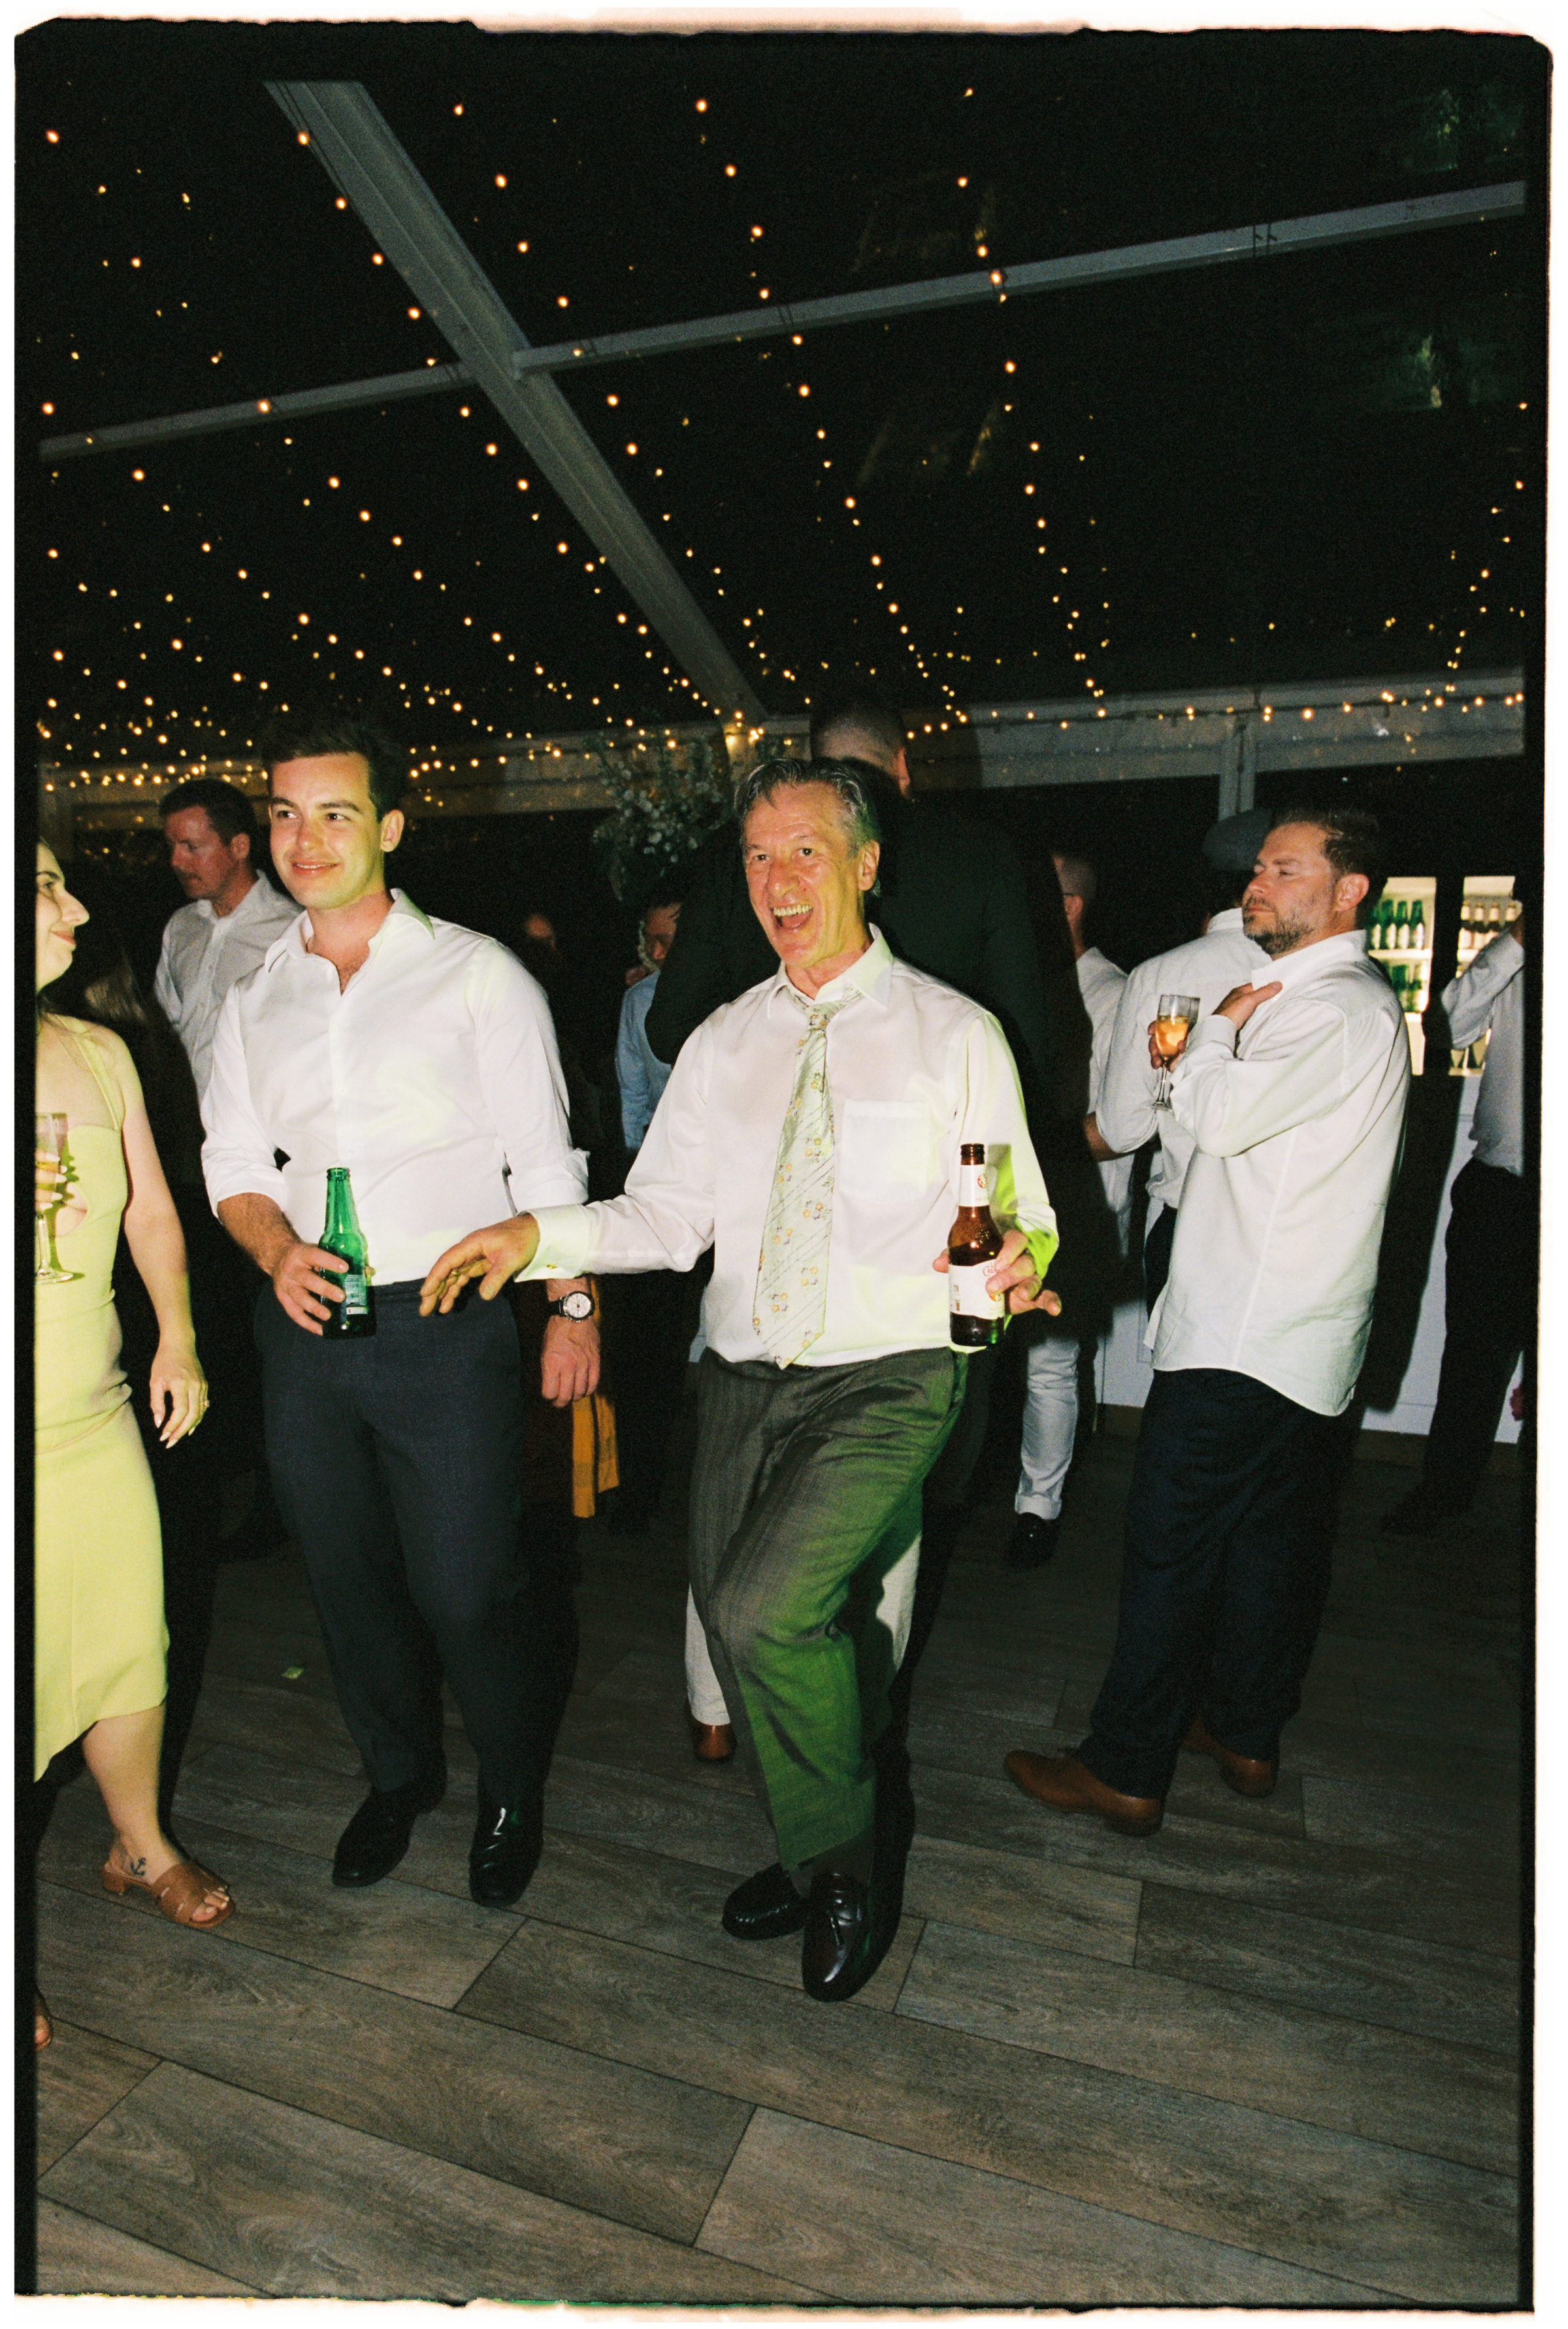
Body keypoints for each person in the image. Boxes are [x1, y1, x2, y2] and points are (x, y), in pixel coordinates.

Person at [419, 761, 1060, 2002]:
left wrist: (1025, 1258)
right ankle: (807, 1843)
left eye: (805, 852)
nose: (777, 880)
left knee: (772, 1607)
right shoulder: (722, 1037)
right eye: (759, 859)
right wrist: (535, 1238)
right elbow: (665, 1215)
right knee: (733, 1621)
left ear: (868, 864)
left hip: (891, 1370)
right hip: (741, 1371)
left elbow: (1020, 1210)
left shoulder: (954, 1031)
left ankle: (852, 1863)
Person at [200, 712, 597, 1909]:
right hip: (306, 1325)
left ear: (390, 827)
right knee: (344, 1573)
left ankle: (510, 1784)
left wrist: (574, 1305)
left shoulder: (479, 976)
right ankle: (399, 1773)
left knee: (470, 1585)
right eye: (284, 813)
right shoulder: (255, 991)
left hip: (445, 1312)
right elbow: (231, 1162)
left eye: (333, 813)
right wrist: (273, 1250)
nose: (304, 838)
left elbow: (547, 1160)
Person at [1005, 806, 1407, 1834]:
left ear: (1349, 889)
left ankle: (1126, 1766)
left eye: (1284, 869)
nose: (1257, 886)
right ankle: (1242, 1732)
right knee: (1271, 1545)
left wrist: (1214, 1025)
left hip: (1246, 1325)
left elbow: (1218, 1117)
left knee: (1170, 1546)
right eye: (1259, 867)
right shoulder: (1331, 998)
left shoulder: (1331, 1008)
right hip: (1287, 1329)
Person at [34, 844, 231, 2049]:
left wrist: (179, 1338)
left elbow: (152, 1208)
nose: (77, 905)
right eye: (40, 884)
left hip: (92, 1419)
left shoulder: (99, 1051)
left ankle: (135, 1839)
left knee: (127, 1643)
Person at [1382, 892, 1529, 1532]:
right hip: (1503, 1188)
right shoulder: (1520, 960)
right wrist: (1516, 942)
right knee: (1473, 1352)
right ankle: (1444, 1493)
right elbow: (1447, 1024)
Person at [1088, 808, 1274, 1307]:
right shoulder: (1318, 973)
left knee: (1181, 1380)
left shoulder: (1161, 975)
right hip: (1288, 1230)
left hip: (1191, 1223)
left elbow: (1123, 1129)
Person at [1007, 853, 1134, 1570]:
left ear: (1070, 907)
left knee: (1054, 1362)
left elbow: (1116, 1122)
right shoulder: (1024, 987)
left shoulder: (1115, 993)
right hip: (1012, 1200)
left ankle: (1038, 1509)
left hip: (1079, 1201)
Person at [154, 777, 298, 1097]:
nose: (176, 862)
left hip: (257, 1129)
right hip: (186, 1121)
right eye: (172, 847)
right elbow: (167, 1027)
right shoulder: (182, 926)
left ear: (239, 847)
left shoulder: (290, 930)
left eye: (191, 847)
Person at [615, 893, 682, 1150]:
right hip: (662, 1147)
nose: (655, 953)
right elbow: (632, 1091)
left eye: (665, 941)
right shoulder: (639, 1000)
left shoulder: (731, 996)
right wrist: (633, 1154)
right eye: (649, 939)